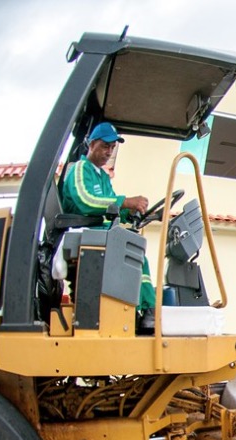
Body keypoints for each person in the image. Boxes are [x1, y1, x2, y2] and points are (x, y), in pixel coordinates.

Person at [61, 122, 156, 332]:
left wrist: (129, 211)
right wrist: (125, 202)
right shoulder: (80, 168)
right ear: (92, 143)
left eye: (112, 148)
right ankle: (147, 311)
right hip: (82, 233)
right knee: (134, 253)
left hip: (99, 234)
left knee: (135, 250)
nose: (109, 152)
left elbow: (110, 203)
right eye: (105, 146)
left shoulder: (103, 176)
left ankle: (142, 311)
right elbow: (85, 201)